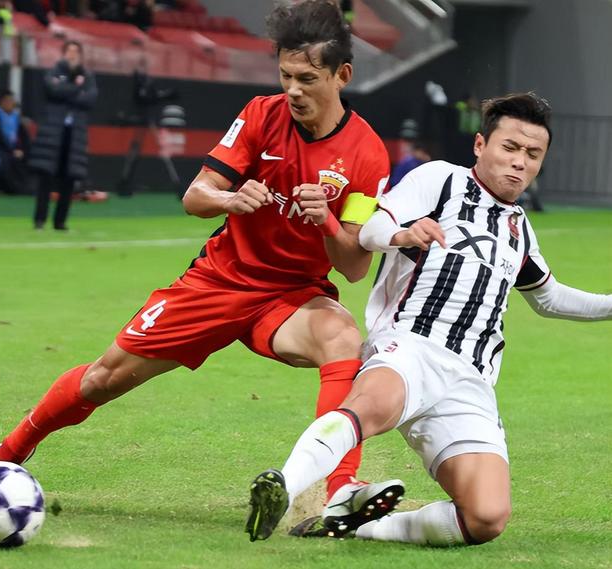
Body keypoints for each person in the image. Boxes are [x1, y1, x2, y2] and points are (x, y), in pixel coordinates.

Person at [0, 0, 397, 533]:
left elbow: (353, 267)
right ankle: (5, 455)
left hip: (290, 297)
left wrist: (327, 221)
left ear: (342, 75)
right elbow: (196, 196)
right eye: (285, 75)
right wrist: (230, 199)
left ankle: (338, 491)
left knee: (342, 336)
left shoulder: (368, 154)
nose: (293, 90)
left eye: (307, 79)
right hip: (219, 281)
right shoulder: (261, 114)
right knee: (101, 379)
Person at [247, 92, 612, 545]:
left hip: (471, 382)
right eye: (510, 147)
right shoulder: (440, 180)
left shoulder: (520, 228)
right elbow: (373, 229)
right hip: (411, 346)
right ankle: (283, 487)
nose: (520, 162)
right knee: (370, 406)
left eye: (532, 154)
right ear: (480, 145)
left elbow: (549, 298)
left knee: (486, 517)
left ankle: (360, 529)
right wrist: (404, 233)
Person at [30, 40, 98, 230]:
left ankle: (60, 221)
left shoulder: (87, 76)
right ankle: (40, 219)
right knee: (46, 178)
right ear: (64, 53)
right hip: (53, 133)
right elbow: (53, 90)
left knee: (69, 179)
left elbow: (90, 99)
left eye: (76, 51)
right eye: (69, 50)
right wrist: (76, 88)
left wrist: (67, 90)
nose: (72, 54)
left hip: (74, 134)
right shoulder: (54, 71)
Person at [0, 89, 31, 195]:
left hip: (12, 149)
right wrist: (12, 150)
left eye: (12, 101)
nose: (11, 103)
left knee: (24, 157)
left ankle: (23, 187)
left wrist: (22, 150)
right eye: (8, 101)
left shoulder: (16, 117)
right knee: (7, 159)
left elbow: (24, 137)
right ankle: (10, 188)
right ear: (2, 102)